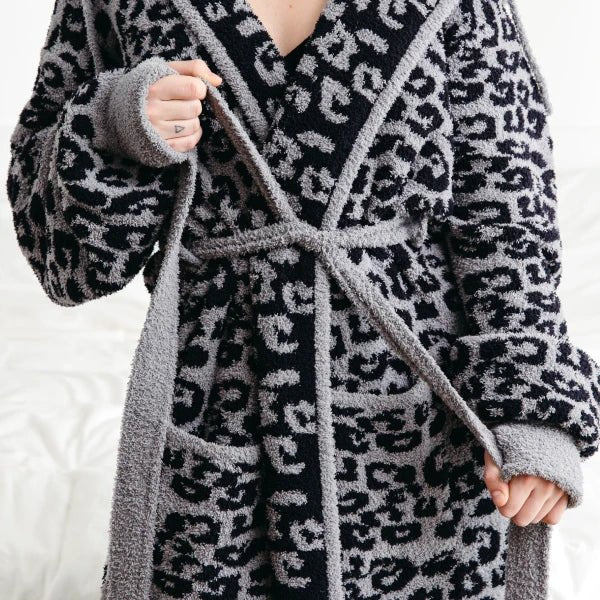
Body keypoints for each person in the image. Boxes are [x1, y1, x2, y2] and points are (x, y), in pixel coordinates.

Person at [6, 0, 599, 598]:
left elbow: (508, 215)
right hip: (214, 409)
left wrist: (532, 414)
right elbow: (66, 265)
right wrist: (113, 125)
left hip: (420, 430)